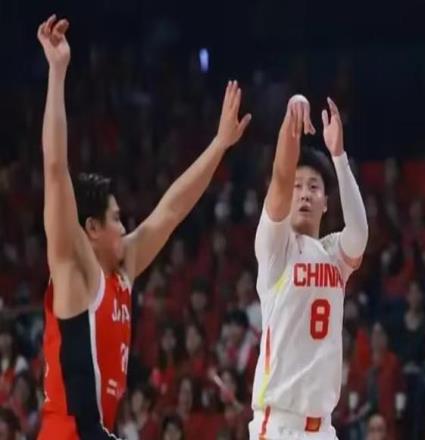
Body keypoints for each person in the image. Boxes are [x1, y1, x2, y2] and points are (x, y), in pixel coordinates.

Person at [36, 14, 251, 440]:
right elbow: (56, 168)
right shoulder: (74, 267)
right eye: (116, 219)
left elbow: (170, 210)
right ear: (91, 228)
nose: (126, 227)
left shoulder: (123, 271)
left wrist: (219, 145)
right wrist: (57, 72)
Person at [249, 94, 368, 439]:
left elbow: (359, 233)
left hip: (323, 428)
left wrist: (339, 156)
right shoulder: (276, 246)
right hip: (279, 426)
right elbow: (280, 177)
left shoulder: (333, 253)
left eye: (313, 187)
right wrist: (292, 118)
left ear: (325, 202)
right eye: (297, 187)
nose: (303, 193)